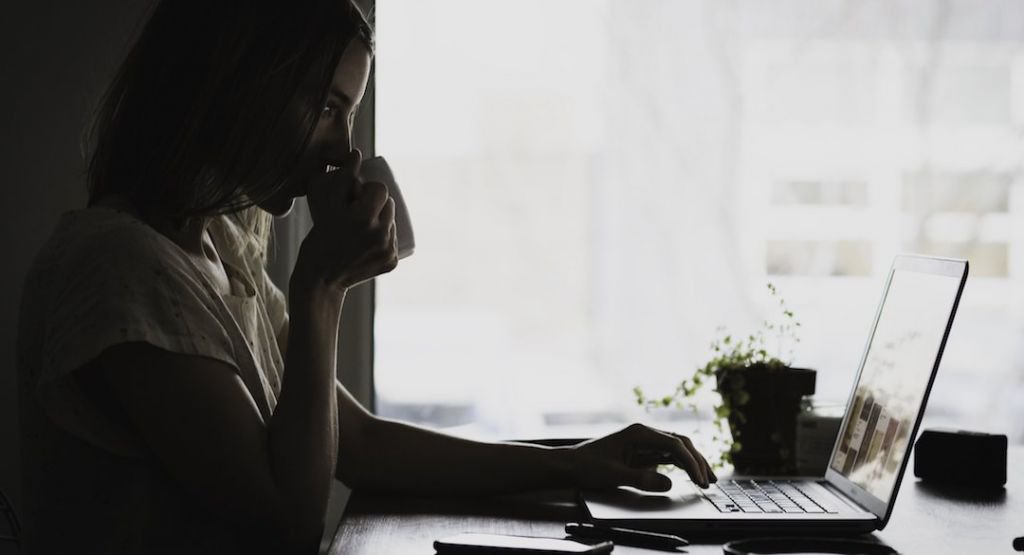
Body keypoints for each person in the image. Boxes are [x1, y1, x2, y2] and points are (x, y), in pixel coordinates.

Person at [16, 1, 715, 553]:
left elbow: (359, 442)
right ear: (238, 86)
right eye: (327, 107)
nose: (345, 147)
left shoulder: (222, 251)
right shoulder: (120, 268)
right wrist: (322, 286)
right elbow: (284, 524)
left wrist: (572, 462)